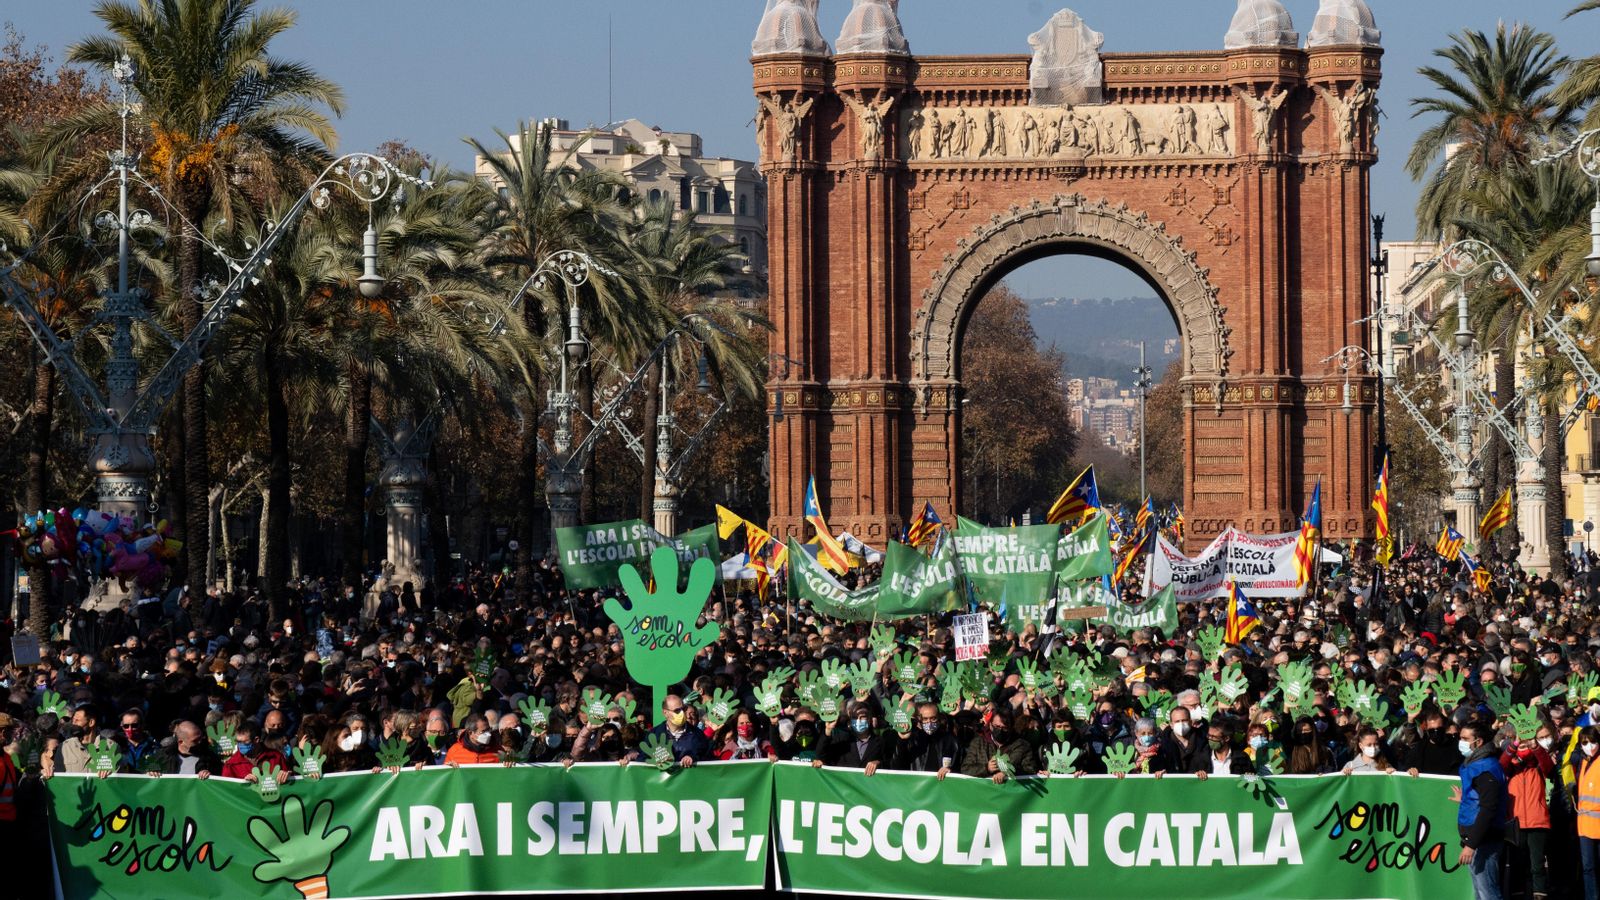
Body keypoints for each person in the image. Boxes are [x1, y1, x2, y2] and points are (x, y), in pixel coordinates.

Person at [1501, 722, 1555, 899]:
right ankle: (1521, 893)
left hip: (1537, 821)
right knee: (1519, 862)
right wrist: (1514, 744)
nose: (1523, 748)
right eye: (1520, 745)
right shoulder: (1510, 769)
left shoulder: (1538, 767)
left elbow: (1549, 766)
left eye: (1526, 745)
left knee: (1537, 864)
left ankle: (1540, 894)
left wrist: (1534, 745)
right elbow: (1501, 764)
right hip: (1515, 822)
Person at [1458, 720, 1508, 900]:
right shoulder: (1474, 763)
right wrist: (1464, 799)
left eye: (1465, 738)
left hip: (1484, 840)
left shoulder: (1486, 768)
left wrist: (1471, 845)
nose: (1461, 742)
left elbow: (1488, 809)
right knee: (1480, 892)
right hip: (1476, 837)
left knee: (1488, 893)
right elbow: (1480, 799)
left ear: (1478, 742)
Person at [960, 709, 1038, 785]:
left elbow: (1030, 770)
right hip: (983, 792)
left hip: (1011, 793)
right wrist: (986, 768)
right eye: (997, 726)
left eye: (1004, 728)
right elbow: (965, 769)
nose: (1000, 730)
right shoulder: (978, 743)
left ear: (1010, 728)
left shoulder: (1022, 745)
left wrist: (1008, 772)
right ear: (990, 725)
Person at [891, 702, 961, 778]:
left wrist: (950, 770)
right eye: (925, 719)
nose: (929, 722)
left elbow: (959, 765)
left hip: (941, 786)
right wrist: (902, 740)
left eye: (933, 718)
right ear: (919, 719)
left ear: (939, 718)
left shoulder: (949, 740)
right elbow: (897, 767)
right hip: (917, 786)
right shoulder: (913, 739)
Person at [818, 703, 889, 773]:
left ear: (870, 719)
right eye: (855, 717)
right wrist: (828, 729)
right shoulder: (843, 739)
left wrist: (878, 763)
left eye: (862, 717)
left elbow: (889, 765)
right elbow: (822, 755)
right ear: (850, 720)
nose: (858, 720)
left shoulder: (880, 741)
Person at [644, 695, 710, 767]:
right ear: (665, 713)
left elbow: (707, 757)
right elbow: (642, 759)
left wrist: (692, 757)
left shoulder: (697, 734)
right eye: (677, 710)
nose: (682, 713)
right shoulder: (654, 735)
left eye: (683, 709)